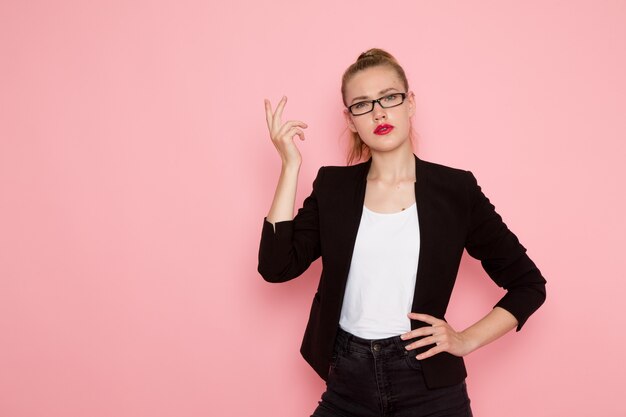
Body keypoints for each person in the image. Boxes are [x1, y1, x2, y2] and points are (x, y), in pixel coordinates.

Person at [258, 48, 547, 417]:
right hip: (347, 381)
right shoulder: (333, 187)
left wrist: (465, 339)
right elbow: (276, 266)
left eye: (390, 98)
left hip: (428, 385)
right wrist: (289, 166)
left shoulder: (455, 190)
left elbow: (528, 285)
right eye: (362, 104)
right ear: (350, 120)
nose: (379, 112)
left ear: (410, 103)